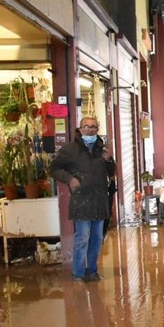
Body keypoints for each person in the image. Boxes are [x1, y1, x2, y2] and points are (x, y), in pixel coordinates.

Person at [50, 116, 116, 282]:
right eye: (86, 127)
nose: (90, 130)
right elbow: (54, 168)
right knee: (82, 238)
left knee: (97, 239)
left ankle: (92, 271)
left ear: (97, 129)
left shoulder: (102, 149)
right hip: (81, 201)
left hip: (99, 200)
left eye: (94, 127)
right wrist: (70, 179)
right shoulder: (70, 150)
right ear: (80, 129)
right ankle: (78, 273)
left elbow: (111, 172)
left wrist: (109, 160)